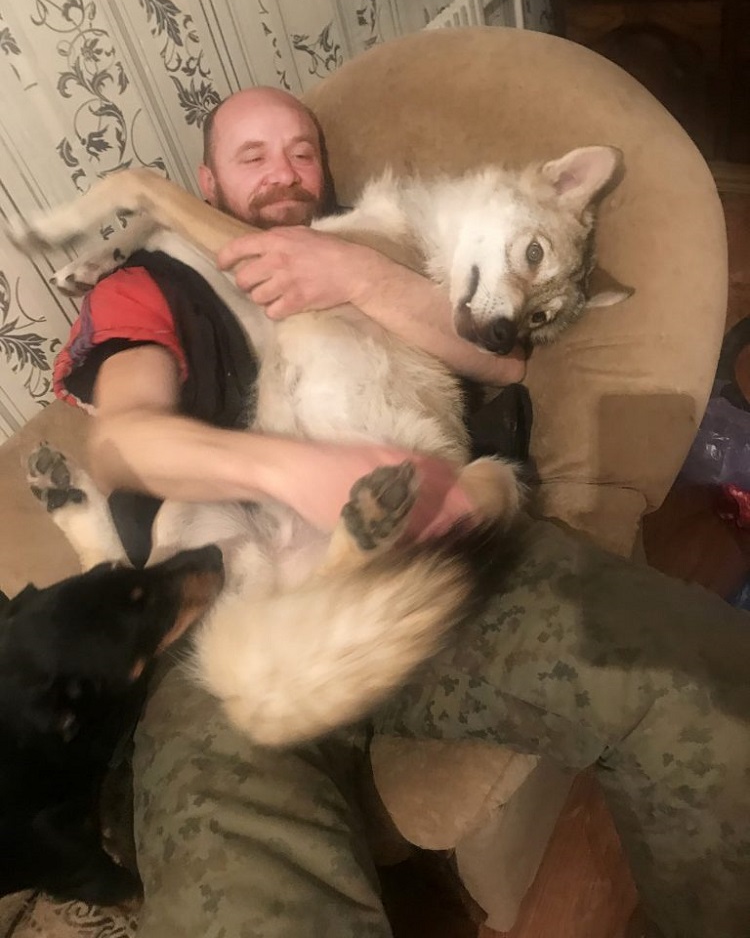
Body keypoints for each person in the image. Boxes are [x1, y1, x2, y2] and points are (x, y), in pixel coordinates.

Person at [53, 87, 750, 938]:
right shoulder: (152, 281)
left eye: (303, 150)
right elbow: (123, 444)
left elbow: (503, 358)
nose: (285, 172)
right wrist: (295, 470)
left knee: (706, 679)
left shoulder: (393, 244)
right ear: (206, 182)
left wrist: (356, 275)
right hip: (237, 600)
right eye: (252, 156)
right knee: (246, 905)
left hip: (433, 550)